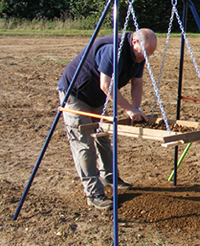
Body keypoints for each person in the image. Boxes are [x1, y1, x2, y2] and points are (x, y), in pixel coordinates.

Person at [57, 28, 157, 210]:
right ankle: (94, 193)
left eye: (151, 54)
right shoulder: (112, 50)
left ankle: (110, 177)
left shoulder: (139, 56)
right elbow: (106, 85)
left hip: (97, 98)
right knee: (84, 144)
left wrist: (136, 108)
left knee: (103, 137)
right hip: (76, 94)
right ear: (134, 42)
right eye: (145, 53)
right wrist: (128, 109)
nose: (147, 58)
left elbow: (137, 82)